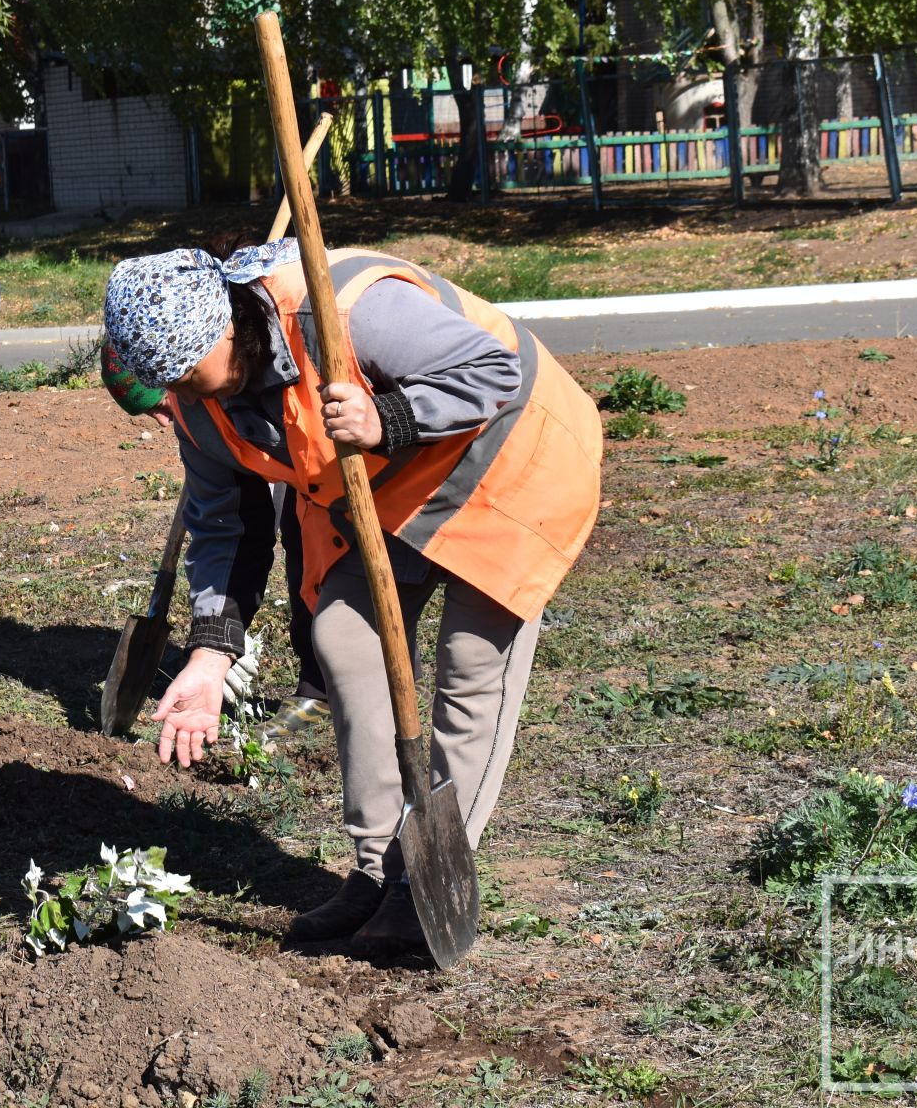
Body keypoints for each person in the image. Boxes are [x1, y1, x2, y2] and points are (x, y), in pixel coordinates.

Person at [102, 238, 601, 956]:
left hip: (509, 458)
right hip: (389, 488)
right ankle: (374, 872)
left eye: (186, 372)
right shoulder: (199, 407)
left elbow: (497, 370)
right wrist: (210, 657)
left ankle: (423, 881)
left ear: (226, 327)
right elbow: (224, 527)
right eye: (169, 383)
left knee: (471, 663)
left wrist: (388, 418)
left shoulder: (346, 312)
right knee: (341, 632)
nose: (182, 393)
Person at [102, 342, 329, 744]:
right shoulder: (195, 407)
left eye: (158, 406)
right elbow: (231, 527)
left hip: (318, 424)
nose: (160, 422)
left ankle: (322, 684)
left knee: (308, 531)